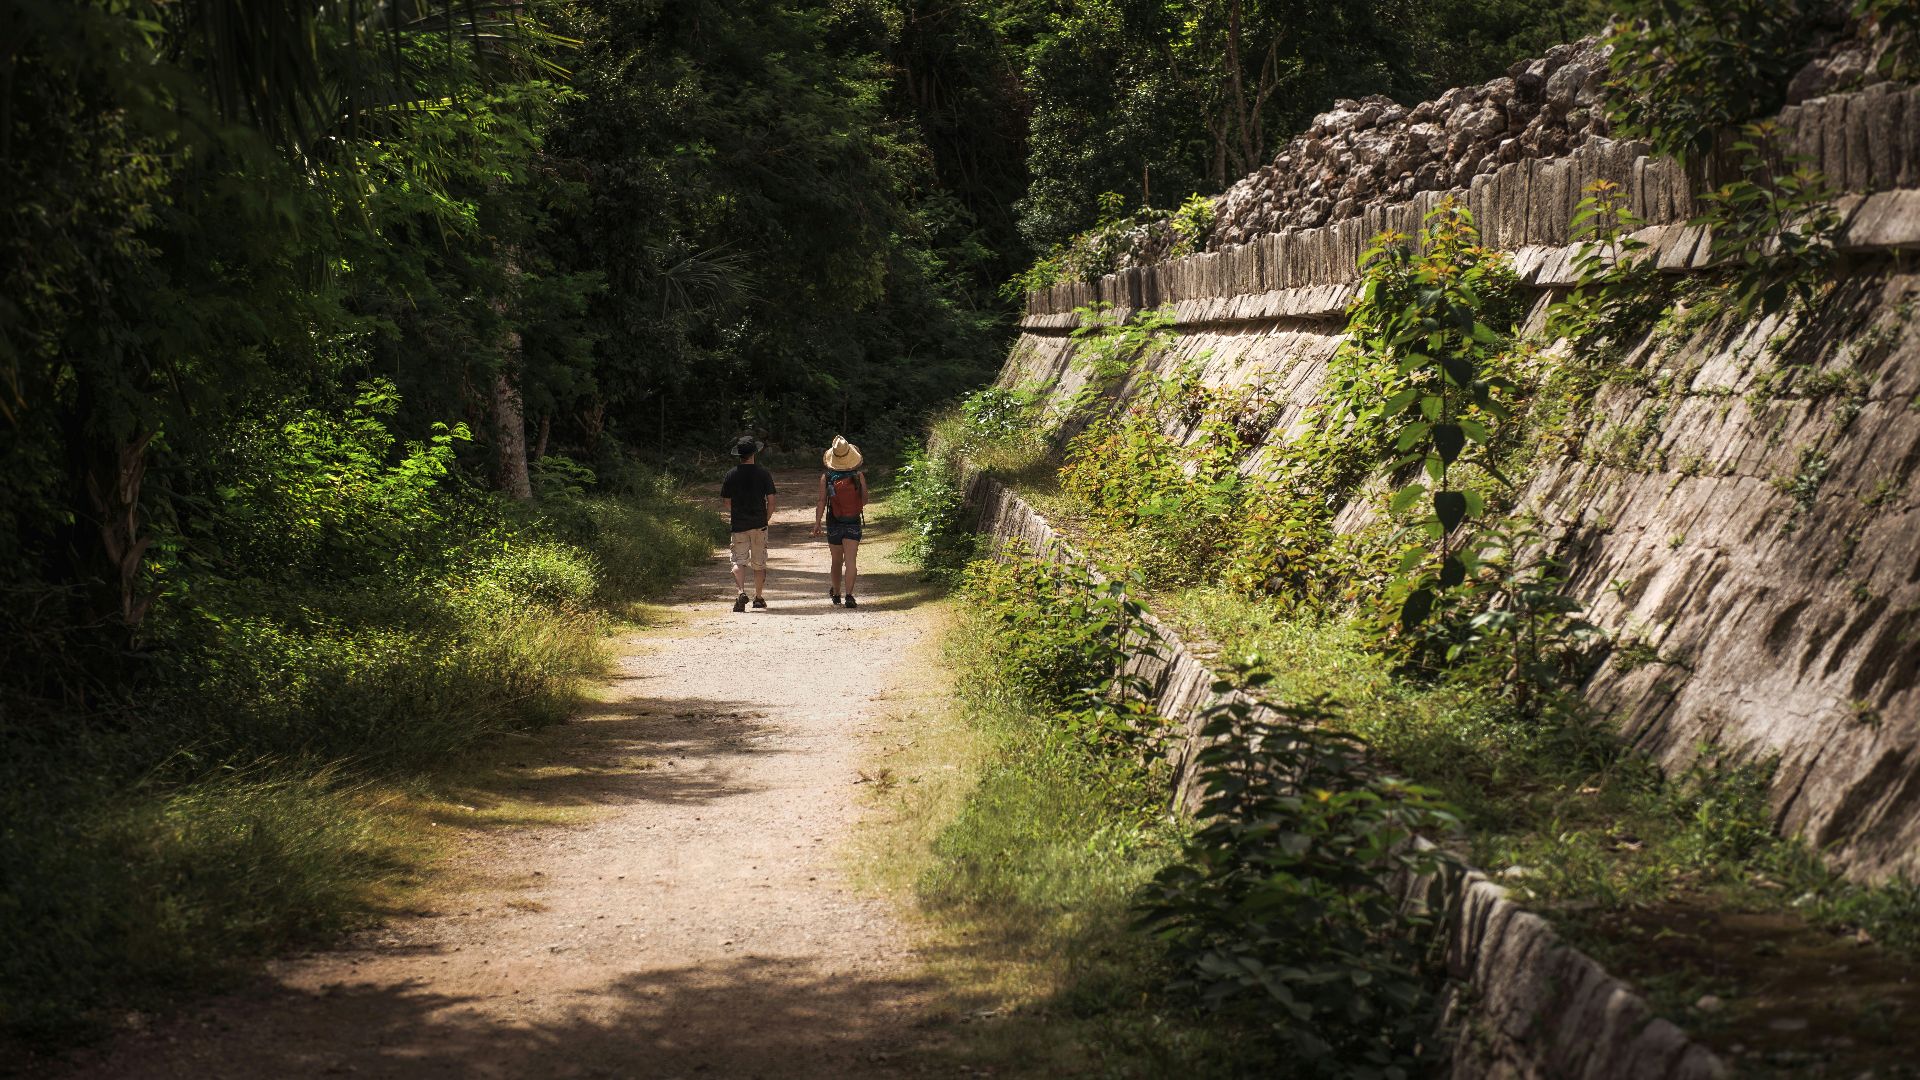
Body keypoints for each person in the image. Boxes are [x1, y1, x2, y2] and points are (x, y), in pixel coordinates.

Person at [719, 437, 776, 612]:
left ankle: (741, 592)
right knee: (759, 564)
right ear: (754, 453)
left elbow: (727, 502)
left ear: (739, 455)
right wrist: (765, 518)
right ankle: (758, 598)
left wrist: (737, 513)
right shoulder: (763, 473)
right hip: (759, 523)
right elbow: (772, 502)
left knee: (738, 561)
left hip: (739, 524)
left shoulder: (731, 474)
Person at [812, 436, 867, 608]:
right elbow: (864, 500)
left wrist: (817, 523)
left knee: (836, 560)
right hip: (853, 522)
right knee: (851, 561)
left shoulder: (827, 477)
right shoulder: (858, 476)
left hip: (834, 522)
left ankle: (836, 593)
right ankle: (849, 595)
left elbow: (821, 501)